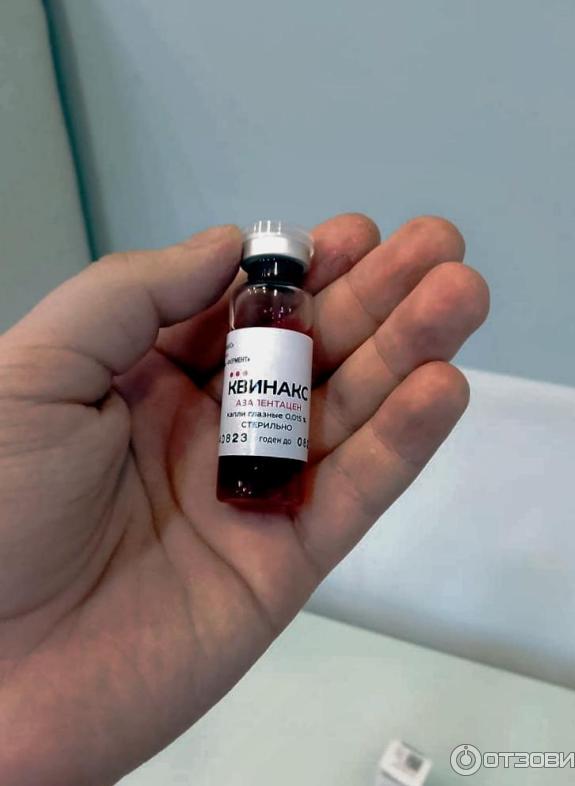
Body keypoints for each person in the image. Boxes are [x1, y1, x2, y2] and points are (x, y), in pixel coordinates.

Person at [0, 213, 489, 785]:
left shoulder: (294, 306)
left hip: (274, 463)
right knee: (264, 390)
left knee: (280, 393)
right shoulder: (250, 303)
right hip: (239, 458)